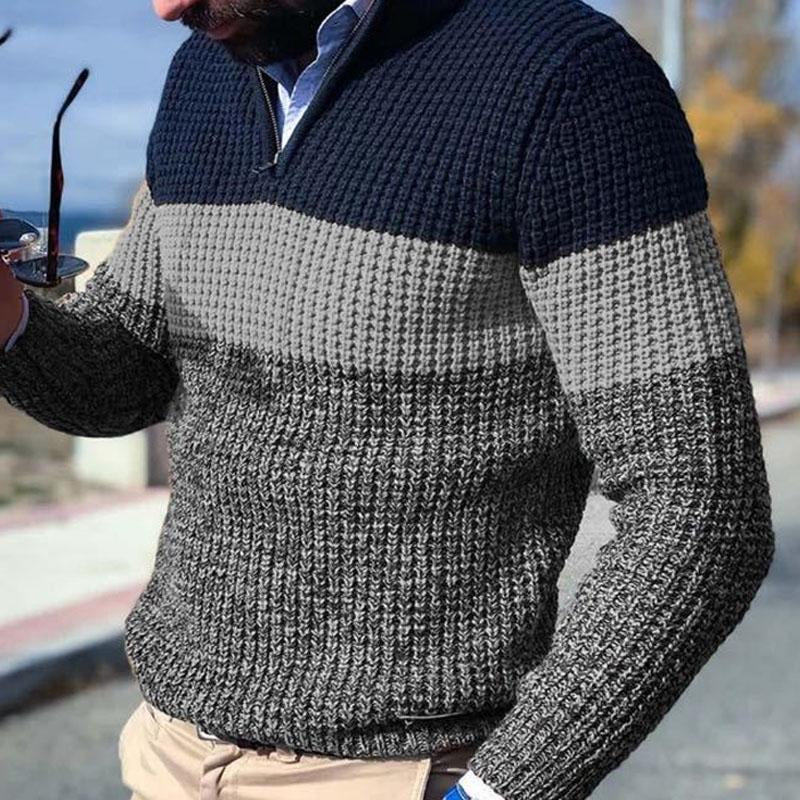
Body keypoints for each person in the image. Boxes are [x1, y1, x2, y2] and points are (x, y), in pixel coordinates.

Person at [0, 0, 776, 798]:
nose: (165, 8)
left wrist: (498, 791)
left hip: (397, 774)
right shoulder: (208, 68)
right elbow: (123, 373)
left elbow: (702, 503)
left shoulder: (567, 81)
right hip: (170, 757)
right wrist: (9, 316)